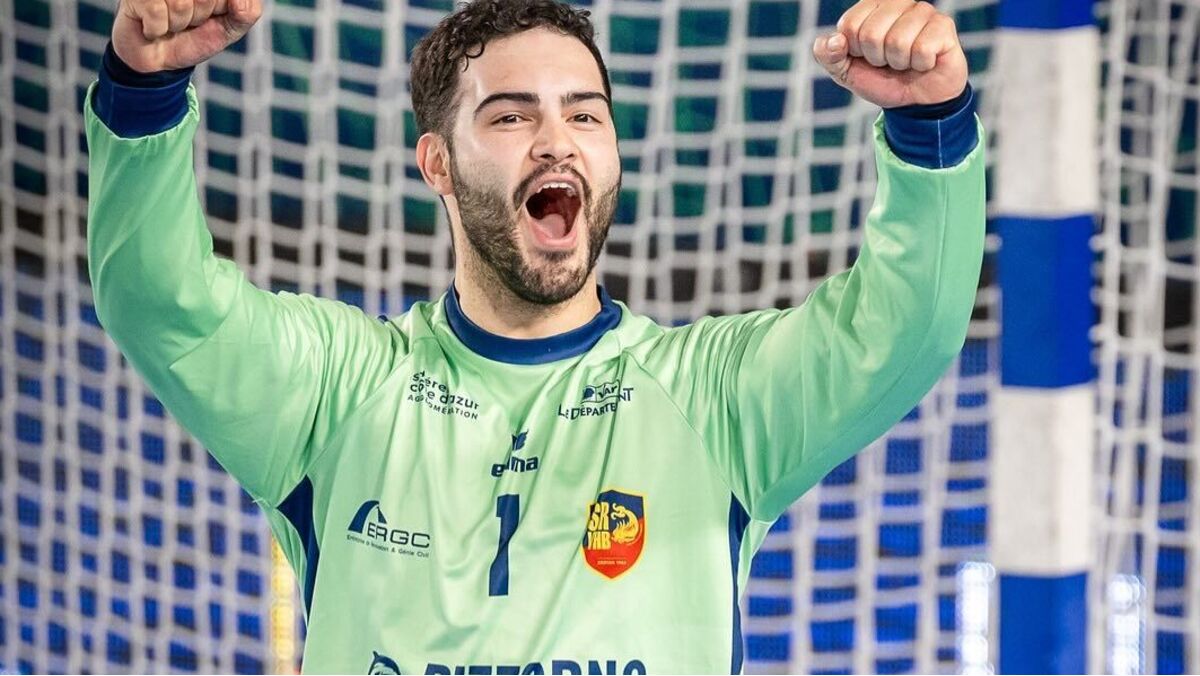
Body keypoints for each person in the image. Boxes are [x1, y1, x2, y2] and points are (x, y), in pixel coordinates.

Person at [85, 0, 983, 672]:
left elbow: (902, 330)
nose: (558, 141)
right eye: (511, 116)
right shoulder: (339, 388)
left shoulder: (712, 397)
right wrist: (145, 91)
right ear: (437, 162)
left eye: (585, 114)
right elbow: (158, 302)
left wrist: (928, 124)